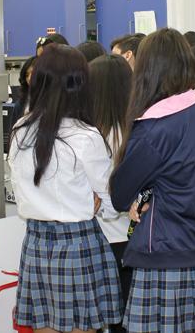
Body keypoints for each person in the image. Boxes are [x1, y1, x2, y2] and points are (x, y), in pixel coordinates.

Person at [110, 28, 195, 333]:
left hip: (171, 255)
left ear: (146, 70)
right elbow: (184, 177)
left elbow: (118, 194)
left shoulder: (156, 127)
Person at [9, 44, 121, 333]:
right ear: (80, 86)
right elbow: (110, 201)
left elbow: (20, 185)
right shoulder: (86, 136)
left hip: (36, 242)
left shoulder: (21, 129)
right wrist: (95, 203)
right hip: (78, 243)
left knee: (44, 326)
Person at [87, 54, 133, 333]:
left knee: (106, 316)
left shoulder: (92, 135)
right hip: (129, 238)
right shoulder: (133, 131)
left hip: (101, 237)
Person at [13, 56, 37, 122]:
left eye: (33, 73)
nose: (29, 78)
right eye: (27, 75)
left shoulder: (52, 103)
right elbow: (13, 131)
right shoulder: (20, 105)